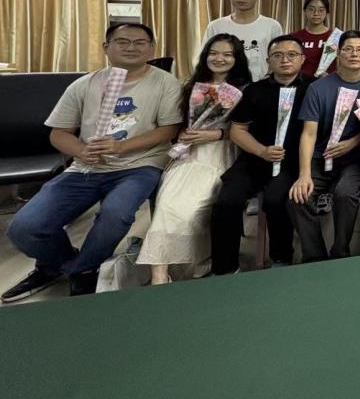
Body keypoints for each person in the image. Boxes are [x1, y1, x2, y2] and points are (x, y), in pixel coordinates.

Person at [2, 23, 183, 301]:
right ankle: (59, 265)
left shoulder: (166, 83)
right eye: (122, 41)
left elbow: (168, 129)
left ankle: (85, 270)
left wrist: (122, 146)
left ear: (151, 49)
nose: (131, 47)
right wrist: (81, 150)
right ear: (106, 47)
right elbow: (59, 133)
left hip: (139, 165)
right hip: (85, 168)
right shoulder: (84, 85)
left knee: (115, 214)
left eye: (140, 42)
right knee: (24, 228)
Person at [137, 34, 253, 284]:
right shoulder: (190, 86)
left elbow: (249, 130)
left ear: (237, 59)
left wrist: (216, 134)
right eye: (214, 53)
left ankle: (193, 263)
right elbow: (175, 122)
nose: (219, 58)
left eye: (227, 54)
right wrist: (182, 133)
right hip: (187, 153)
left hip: (222, 153)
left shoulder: (246, 90)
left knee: (193, 207)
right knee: (167, 204)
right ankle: (160, 273)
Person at [209, 35, 310, 273]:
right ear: (268, 61)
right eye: (278, 55)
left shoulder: (313, 88)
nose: (285, 60)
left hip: (292, 161)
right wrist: (262, 151)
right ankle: (225, 268)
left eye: (292, 55)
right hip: (254, 157)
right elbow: (238, 131)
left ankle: (281, 259)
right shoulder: (255, 90)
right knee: (226, 201)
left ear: (302, 59)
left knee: (277, 200)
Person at [289, 30, 360, 262]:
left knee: (344, 194)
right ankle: (315, 256)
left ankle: (340, 251)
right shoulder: (318, 88)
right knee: (297, 197)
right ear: (338, 53)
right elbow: (308, 134)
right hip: (320, 156)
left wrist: (353, 142)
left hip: (354, 159)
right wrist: (304, 175)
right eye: (348, 49)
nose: (354, 54)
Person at [201, 0, 283, 81]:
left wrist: (268, 79)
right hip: (224, 85)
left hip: (260, 84)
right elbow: (205, 58)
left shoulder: (272, 26)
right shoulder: (216, 26)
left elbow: (279, 57)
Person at [293, 0, 340, 78]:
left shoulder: (336, 37)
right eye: (311, 9)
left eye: (321, 10)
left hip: (328, 82)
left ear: (327, 12)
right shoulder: (294, 37)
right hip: (300, 82)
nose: (316, 13)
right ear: (305, 11)